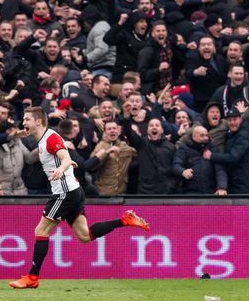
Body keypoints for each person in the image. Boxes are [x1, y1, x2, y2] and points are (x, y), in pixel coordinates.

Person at [9, 107, 150, 289]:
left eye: (27, 119)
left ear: (38, 121)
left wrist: (62, 167)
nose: (24, 123)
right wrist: (17, 134)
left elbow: (66, 158)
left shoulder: (51, 138)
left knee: (41, 231)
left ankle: (32, 277)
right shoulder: (44, 137)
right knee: (85, 236)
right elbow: (26, 134)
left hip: (64, 192)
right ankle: (124, 220)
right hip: (74, 190)